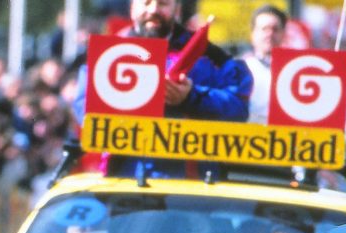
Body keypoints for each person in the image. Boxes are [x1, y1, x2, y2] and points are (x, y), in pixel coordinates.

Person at [73, 0, 253, 176]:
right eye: (146, 3)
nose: (153, 10)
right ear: (132, 7)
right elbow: (85, 108)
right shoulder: (108, 53)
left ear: (177, 9)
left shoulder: (208, 55)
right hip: (125, 180)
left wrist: (192, 97)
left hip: (191, 184)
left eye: (163, 3)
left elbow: (239, 108)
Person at [241, 5, 288, 125]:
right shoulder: (240, 69)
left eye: (275, 29)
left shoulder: (292, 72)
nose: (270, 34)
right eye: (264, 29)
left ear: (283, 34)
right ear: (252, 34)